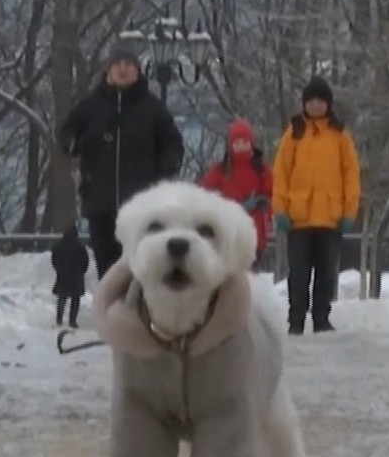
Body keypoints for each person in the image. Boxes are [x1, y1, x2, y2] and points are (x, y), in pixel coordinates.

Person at [57, 48, 185, 278]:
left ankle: (137, 311)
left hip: (140, 206)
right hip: (100, 202)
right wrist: (72, 144)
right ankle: (110, 311)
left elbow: (173, 144)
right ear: (109, 70)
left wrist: (165, 174)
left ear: (138, 71)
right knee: (107, 269)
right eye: (118, 64)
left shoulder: (151, 107)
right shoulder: (92, 105)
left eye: (129, 64)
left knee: (139, 268)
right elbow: (67, 131)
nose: (123, 69)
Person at [272, 76, 360, 334]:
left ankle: (321, 318)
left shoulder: (340, 134)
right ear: (304, 104)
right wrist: (280, 210)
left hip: (330, 218)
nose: (316, 105)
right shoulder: (294, 132)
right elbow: (281, 173)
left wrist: (349, 211)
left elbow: (351, 174)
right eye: (311, 101)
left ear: (328, 104)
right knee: (298, 274)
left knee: (326, 274)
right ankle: (296, 319)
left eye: (321, 101)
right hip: (298, 218)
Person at [199, 118, 272, 269]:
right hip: (228, 229)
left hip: (255, 228)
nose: (242, 147)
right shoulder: (221, 169)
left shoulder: (260, 168)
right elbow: (205, 194)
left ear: (251, 143)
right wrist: (232, 205)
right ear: (231, 145)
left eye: (245, 143)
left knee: (251, 269)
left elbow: (271, 191)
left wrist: (263, 202)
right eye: (237, 143)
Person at [50, 223, 89, 329]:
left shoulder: (58, 245)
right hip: (76, 277)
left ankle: (59, 319)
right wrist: (81, 272)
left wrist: (59, 270)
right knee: (75, 300)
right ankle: (72, 321)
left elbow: (54, 260)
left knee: (62, 298)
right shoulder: (80, 247)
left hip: (62, 275)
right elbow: (85, 262)